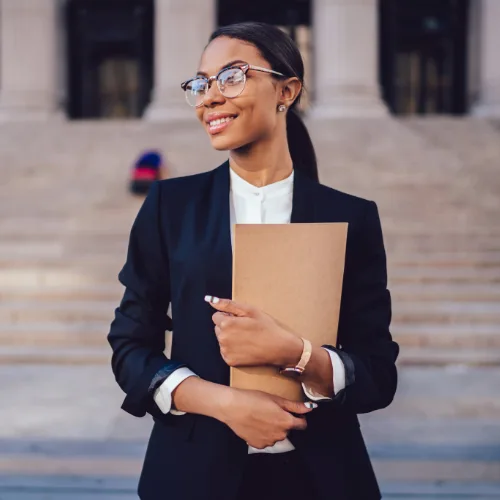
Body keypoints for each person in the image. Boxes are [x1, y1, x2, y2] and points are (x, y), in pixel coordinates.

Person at [108, 21, 399, 500]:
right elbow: (130, 347)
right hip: (190, 478)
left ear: (286, 90)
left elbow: (378, 375)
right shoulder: (169, 206)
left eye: (231, 77)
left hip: (322, 479)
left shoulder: (351, 216)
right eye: (201, 84)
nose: (209, 97)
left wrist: (296, 354)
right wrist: (225, 404)